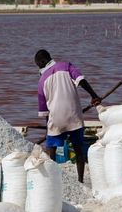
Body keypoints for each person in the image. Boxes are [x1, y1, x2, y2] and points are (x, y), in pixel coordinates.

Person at [34, 49, 101, 182]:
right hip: (74, 116)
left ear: (42, 62)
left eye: (38, 65)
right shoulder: (66, 66)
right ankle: (80, 180)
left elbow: (45, 111)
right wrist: (94, 96)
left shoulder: (41, 81)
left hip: (56, 120)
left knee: (51, 149)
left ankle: (51, 180)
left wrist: (49, 129)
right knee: (78, 149)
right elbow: (81, 81)